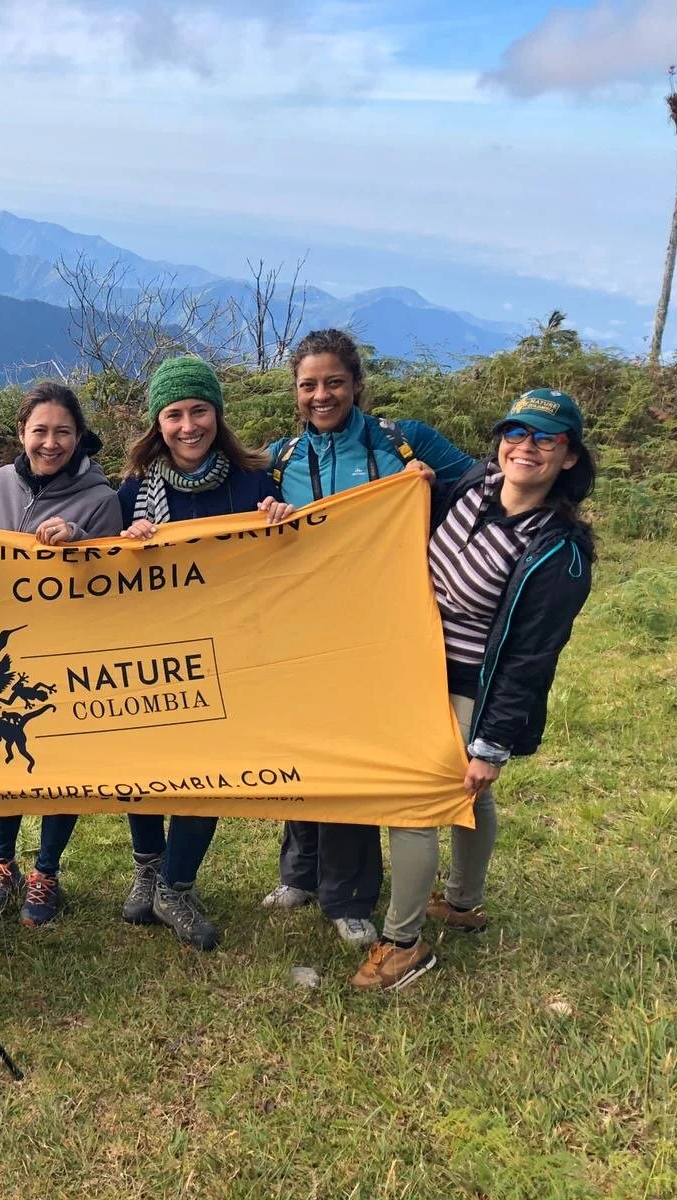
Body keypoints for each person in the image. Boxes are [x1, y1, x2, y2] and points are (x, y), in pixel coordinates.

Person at [353, 388, 596, 990]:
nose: (526, 447)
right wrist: (415, 478)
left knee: (415, 802)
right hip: (415, 668)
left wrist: (490, 745)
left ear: (568, 457)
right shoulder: (471, 488)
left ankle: (402, 943)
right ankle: (463, 902)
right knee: (469, 797)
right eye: (517, 433)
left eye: (546, 439)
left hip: (472, 688)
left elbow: (531, 657)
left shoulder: (558, 550)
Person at [262, 328, 475, 950]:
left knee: (351, 758)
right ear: (295, 392)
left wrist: (432, 487)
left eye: (333, 382)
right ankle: (298, 873)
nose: (321, 395)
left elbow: (486, 490)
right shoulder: (279, 458)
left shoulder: (401, 441)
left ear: (356, 383)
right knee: (300, 750)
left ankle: (349, 897)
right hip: (300, 631)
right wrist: (266, 508)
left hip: (382, 632)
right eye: (308, 385)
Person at [116, 355, 295, 950]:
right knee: (143, 765)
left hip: (229, 650)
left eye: (199, 411)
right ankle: (147, 868)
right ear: (156, 424)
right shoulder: (135, 490)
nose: (188, 425)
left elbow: (286, 559)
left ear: (217, 414)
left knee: (209, 769)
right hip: (152, 649)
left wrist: (280, 518)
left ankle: (175, 884)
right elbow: (105, 574)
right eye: (174, 414)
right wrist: (128, 544)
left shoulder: (253, 482)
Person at [0, 381, 120, 926]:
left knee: (62, 765)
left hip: (67, 653)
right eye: (40, 431)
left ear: (79, 436)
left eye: (63, 432)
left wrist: (82, 542)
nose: (51, 442)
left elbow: (117, 582)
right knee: (4, 752)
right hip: (5, 653)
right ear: (21, 434)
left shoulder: (102, 499)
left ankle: (46, 871)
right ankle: (2, 861)